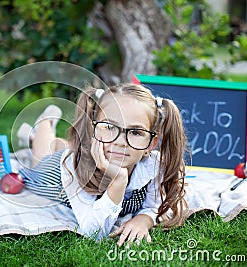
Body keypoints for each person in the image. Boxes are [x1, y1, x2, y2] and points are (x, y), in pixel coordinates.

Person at [16, 83, 188, 246]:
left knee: (60, 146)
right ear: (93, 130)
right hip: (52, 173)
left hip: (87, 152)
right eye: (109, 126)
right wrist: (118, 181)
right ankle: (44, 124)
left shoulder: (153, 167)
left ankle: (45, 138)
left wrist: (144, 220)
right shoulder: (74, 167)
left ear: (150, 144)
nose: (121, 142)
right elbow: (94, 232)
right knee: (41, 155)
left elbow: (152, 206)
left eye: (136, 132)